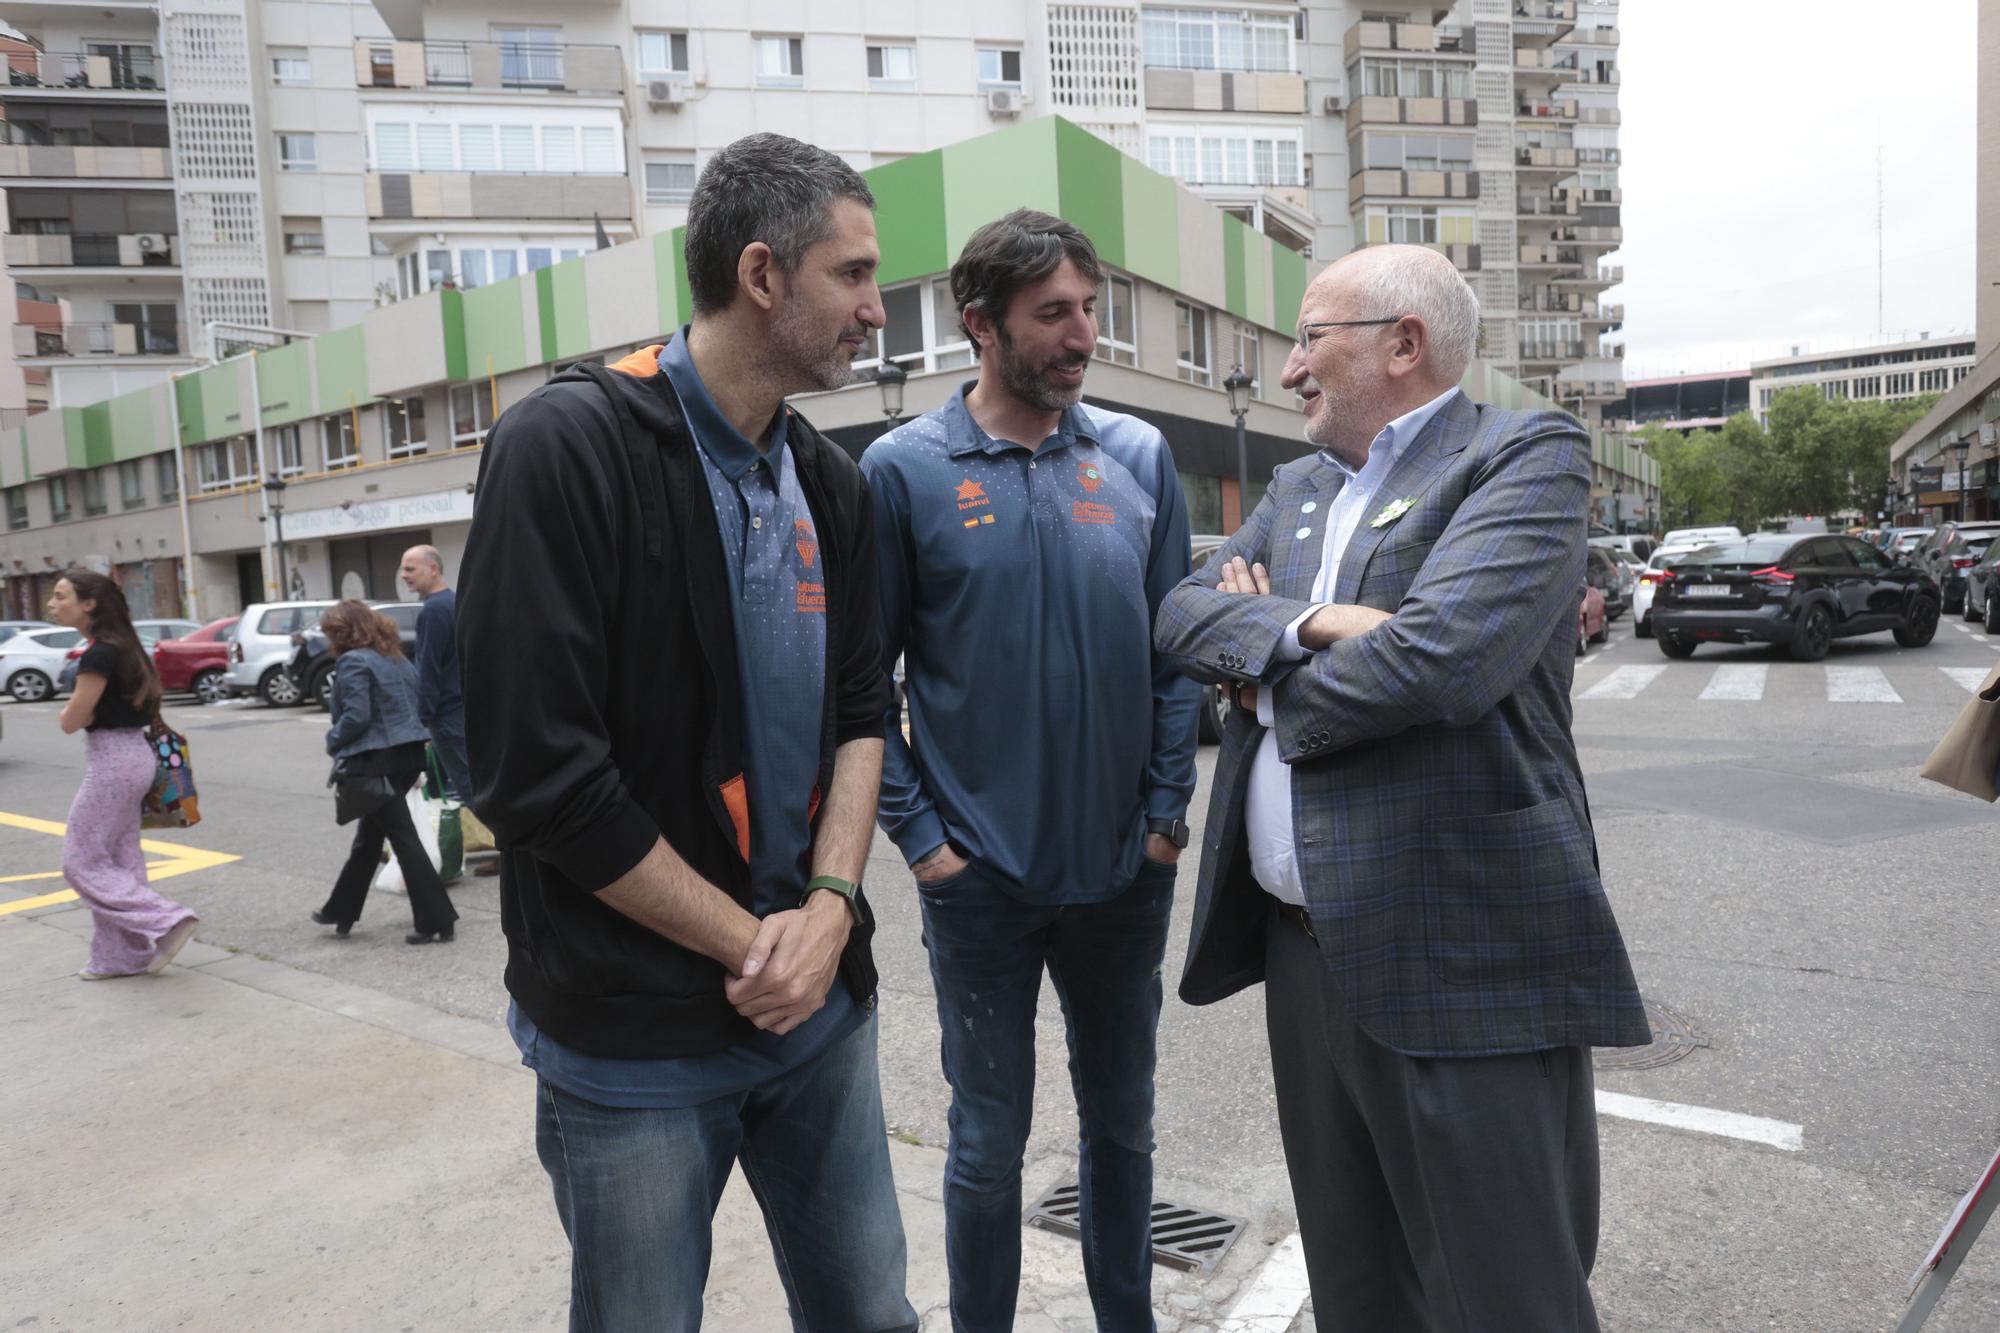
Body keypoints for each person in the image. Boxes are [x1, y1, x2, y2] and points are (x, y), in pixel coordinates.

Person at [457, 132, 917, 1333]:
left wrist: (827, 913)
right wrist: (753, 947)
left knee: (873, 1315)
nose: (877, 308)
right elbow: (538, 777)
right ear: (762, 275)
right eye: (853, 274)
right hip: (634, 1043)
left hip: (816, 1014)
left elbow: (864, 712)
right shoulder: (566, 446)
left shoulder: (831, 481)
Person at [1154, 244, 1649, 1332]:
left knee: (1504, 1295)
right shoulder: (1292, 489)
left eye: (1306, 338)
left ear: (1401, 343)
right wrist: (1312, 624)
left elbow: (1441, 663)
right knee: (1356, 1288)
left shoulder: (1521, 456)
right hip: (1299, 949)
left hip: (1455, 946)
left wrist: (1261, 688)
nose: (1286, 369)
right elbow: (1182, 615)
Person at [863, 209, 1201, 1332]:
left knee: (1123, 1131)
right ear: (979, 324)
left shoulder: (1138, 457)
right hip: (980, 890)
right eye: (1051, 313)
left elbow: (1175, 658)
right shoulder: (900, 472)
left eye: (1088, 309)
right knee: (984, 1140)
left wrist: (1163, 818)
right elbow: (862, 685)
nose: (1081, 334)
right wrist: (926, 846)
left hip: (1120, 876)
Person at [47, 569, 198, 980]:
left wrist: (69, 711)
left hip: (111, 761)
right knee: (121, 859)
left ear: (89, 604)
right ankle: (120, 957)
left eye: (61, 596)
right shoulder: (128, 647)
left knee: (80, 861)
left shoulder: (98, 654)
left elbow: (71, 720)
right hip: (135, 756)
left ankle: (166, 919)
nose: (52, 604)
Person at [311, 600, 458, 945]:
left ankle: (437, 918)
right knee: (369, 839)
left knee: (403, 840)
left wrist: (332, 740)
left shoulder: (353, 661)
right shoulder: (396, 659)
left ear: (342, 633)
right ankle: (341, 910)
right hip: (408, 757)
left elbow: (356, 716)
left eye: (331, 633)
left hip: (375, 762)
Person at [399, 544, 495, 876]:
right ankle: (512, 850)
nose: (404, 575)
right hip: (464, 708)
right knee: (476, 781)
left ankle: (515, 854)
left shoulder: (433, 610)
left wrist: (422, 721)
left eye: (411, 568)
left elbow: (429, 670)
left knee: (470, 785)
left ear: (433, 569)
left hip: (446, 714)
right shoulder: (453, 601)